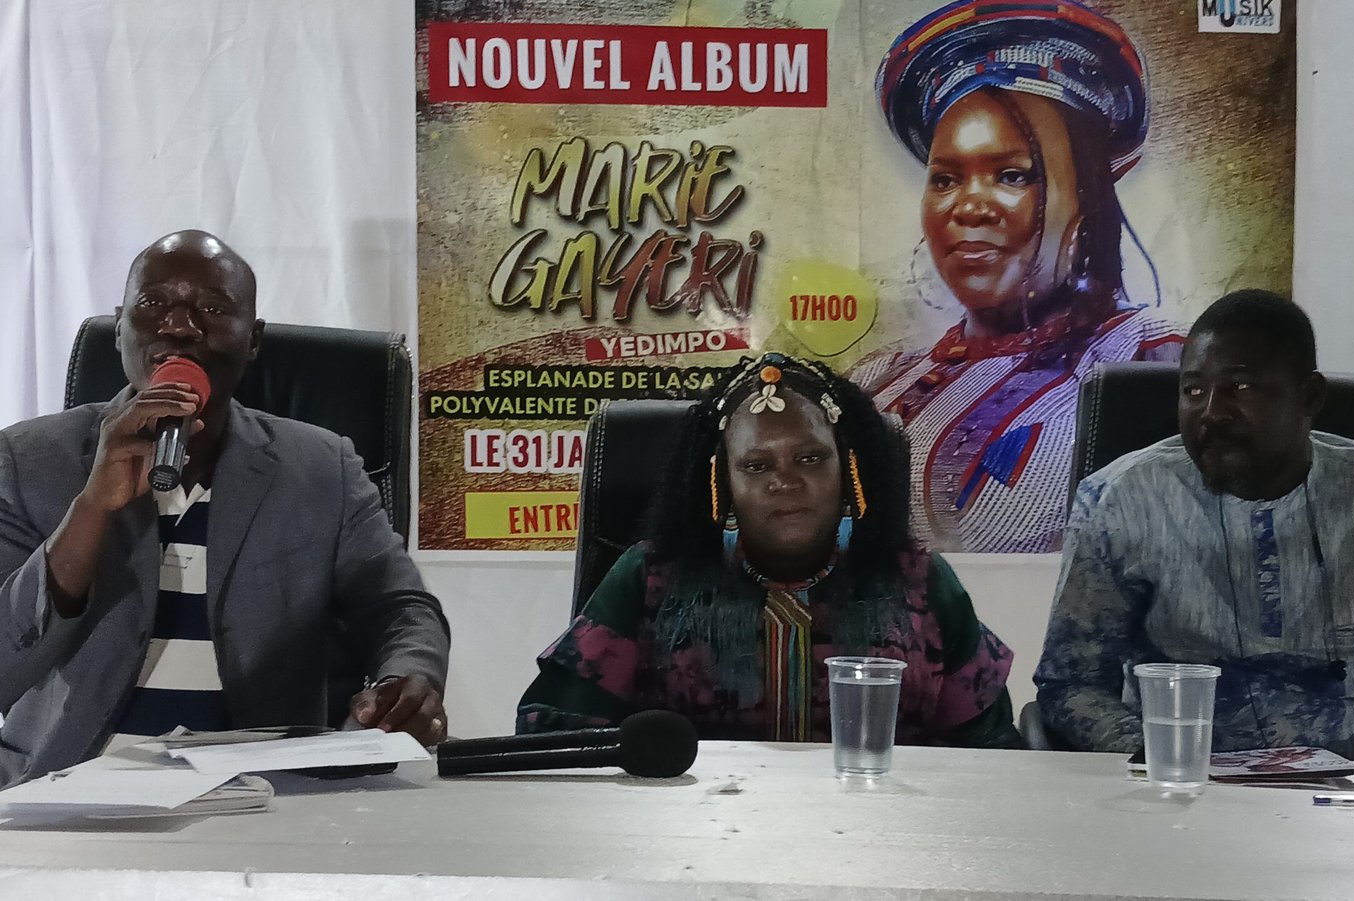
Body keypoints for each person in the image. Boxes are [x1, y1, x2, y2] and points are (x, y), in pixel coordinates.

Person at [0, 230, 450, 787]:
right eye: (152, 303)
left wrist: (409, 675)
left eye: (212, 309)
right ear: (119, 327)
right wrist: (91, 508)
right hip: (68, 789)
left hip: (262, 793)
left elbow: (399, 607)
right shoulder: (27, 460)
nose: (179, 327)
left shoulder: (322, 468)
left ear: (253, 339)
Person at [1033, 290, 1354, 758]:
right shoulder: (1118, 501)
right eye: (1194, 390)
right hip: (1180, 785)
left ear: (1309, 396)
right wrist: (1160, 757)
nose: (1212, 412)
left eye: (1240, 387)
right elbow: (1070, 683)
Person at [517, 352, 1020, 747]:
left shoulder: (920, 582)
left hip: (883, 834)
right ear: (722, 481)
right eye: (757, 465)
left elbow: (991, 752)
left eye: (810, 458)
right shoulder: (650, 578)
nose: (785, 481)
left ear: (848, 471)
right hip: (692, 835)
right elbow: (554, 732)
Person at [853, 0, 1184, 554]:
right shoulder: (877, 382)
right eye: (945, 179)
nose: (969, 207)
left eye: (1012, 175)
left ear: (1088, 196)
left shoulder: (1159, 363)